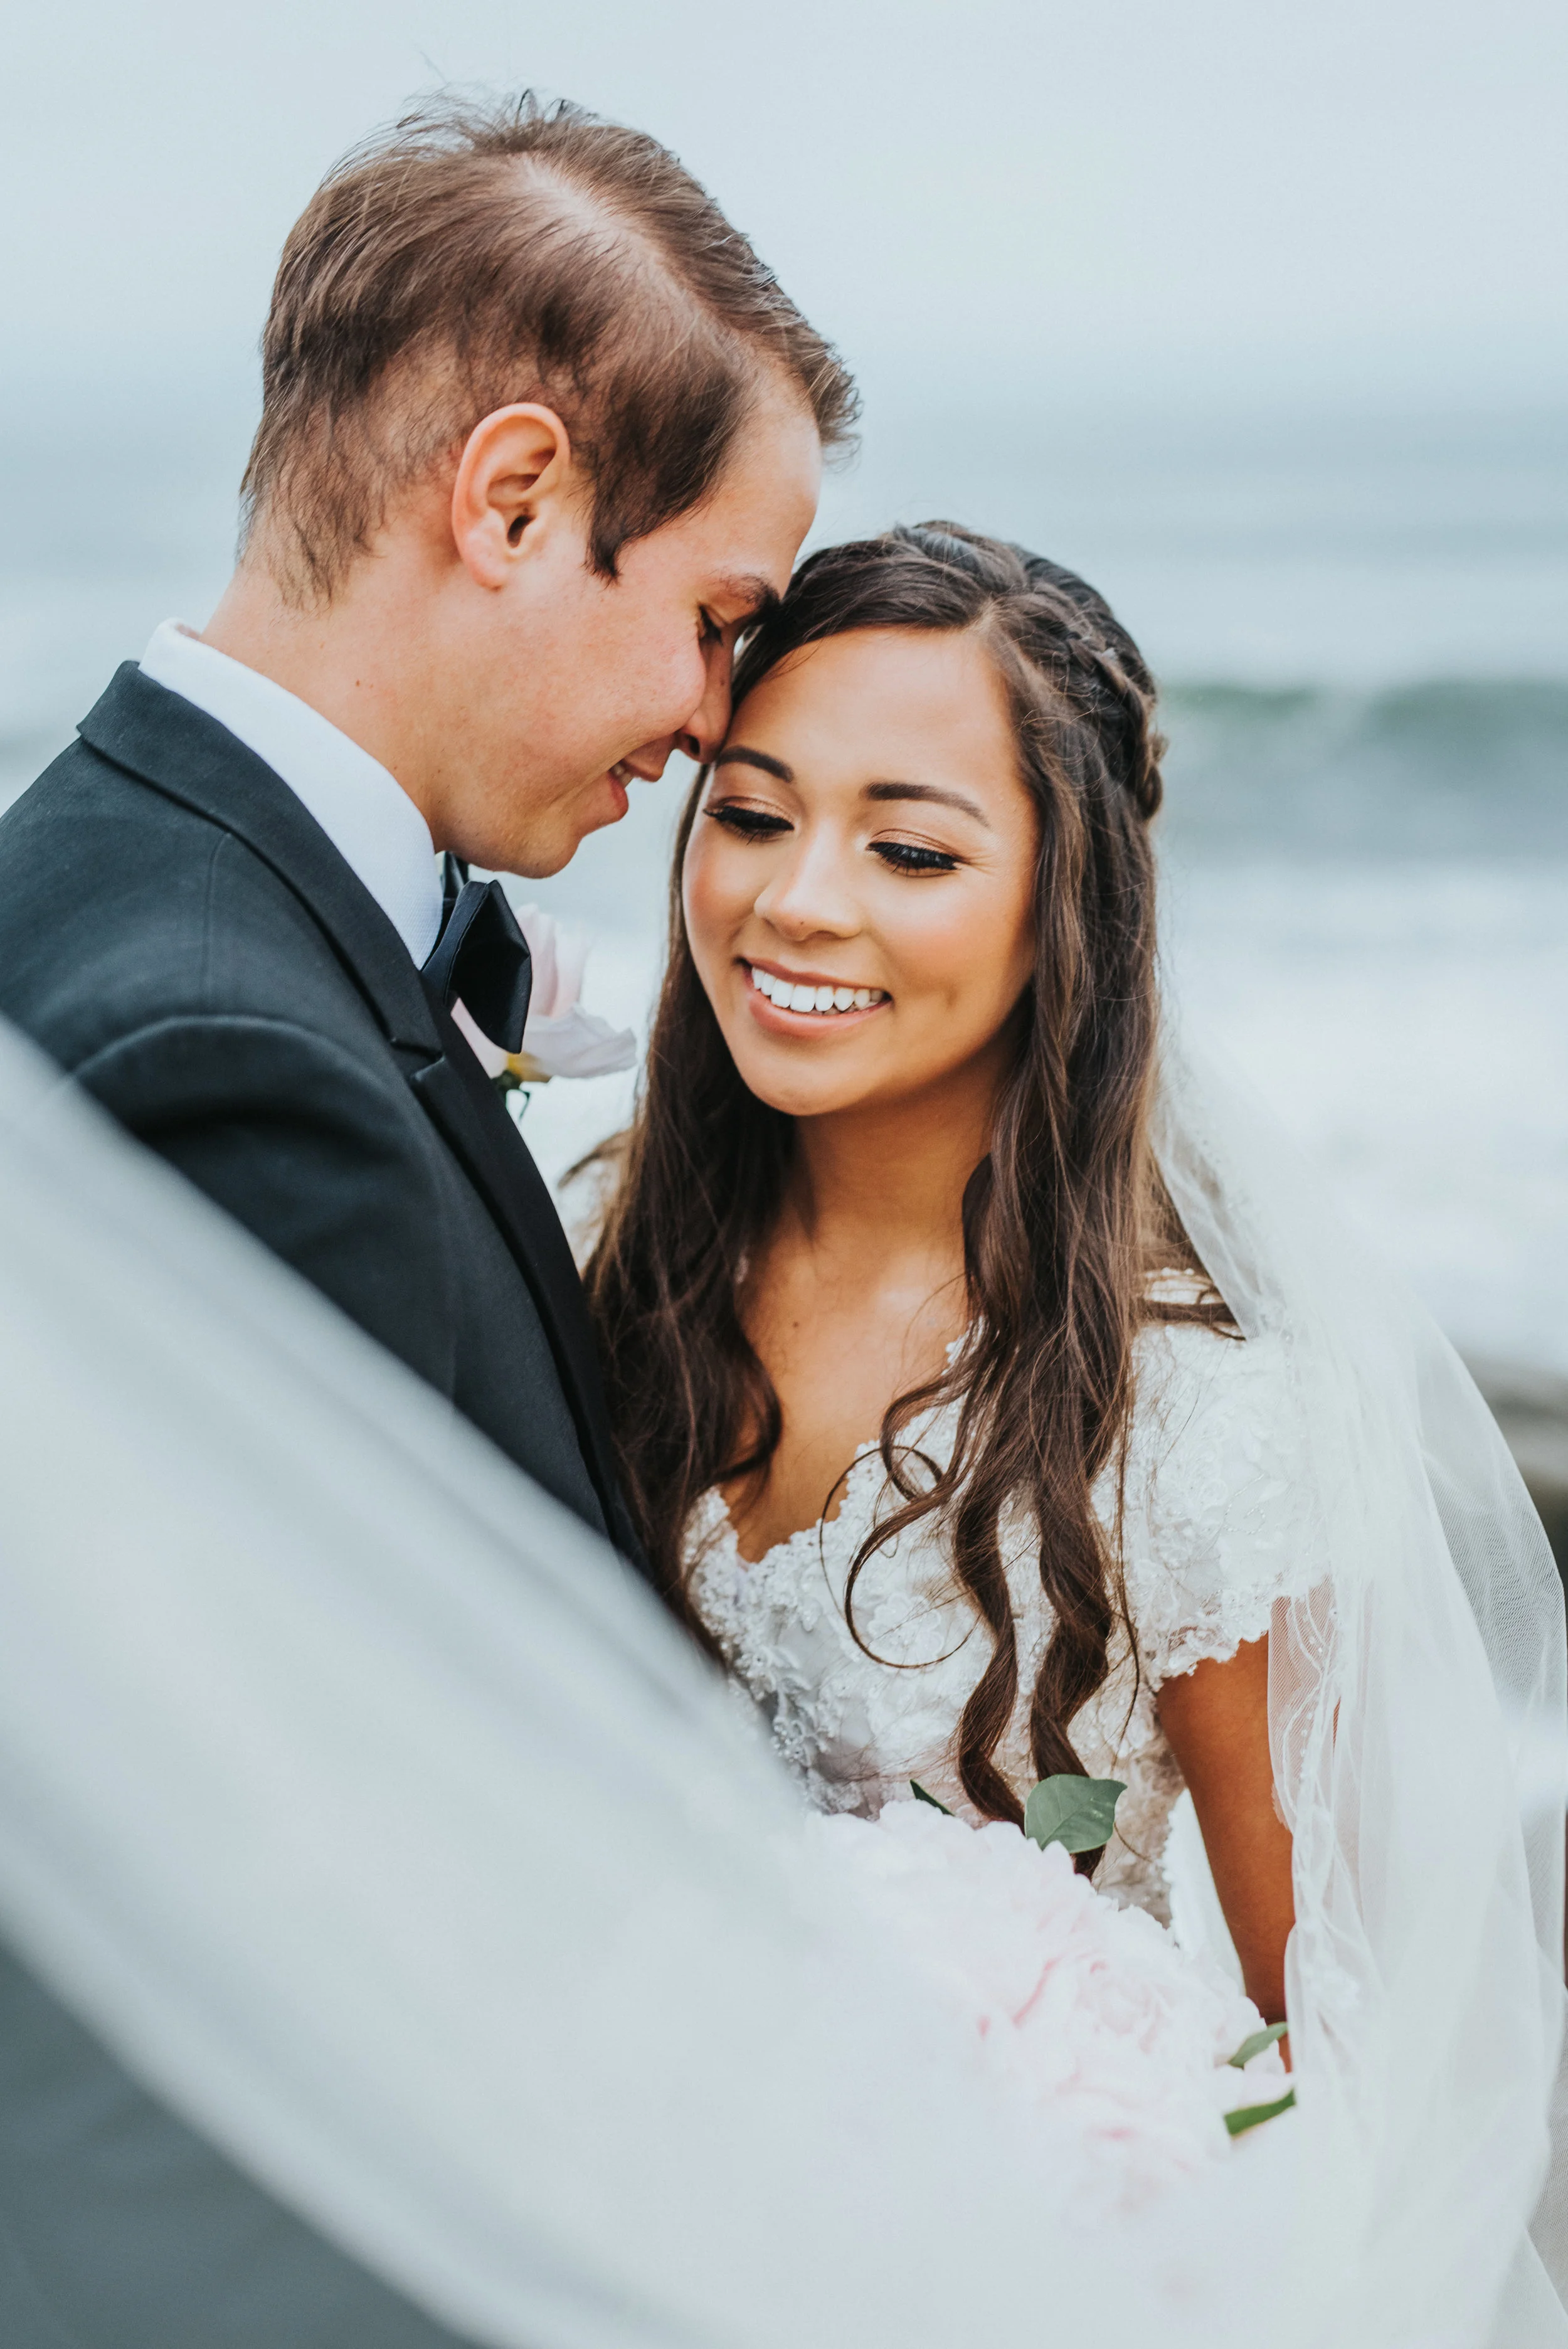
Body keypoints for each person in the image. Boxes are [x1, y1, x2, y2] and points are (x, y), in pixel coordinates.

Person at [0, 90, 849, 2347]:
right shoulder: (227, 1065)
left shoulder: (108, 876)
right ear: (512, 495)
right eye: (709, 617)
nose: (708, 715)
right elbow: (265, 1970)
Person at [585, 525, 1568, 2317]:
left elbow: (1339, 2034)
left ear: (1067, 903)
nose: (798, 900)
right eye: (747, 813)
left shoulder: (1187, 1427)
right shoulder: (574, 1232)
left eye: (909, 847)